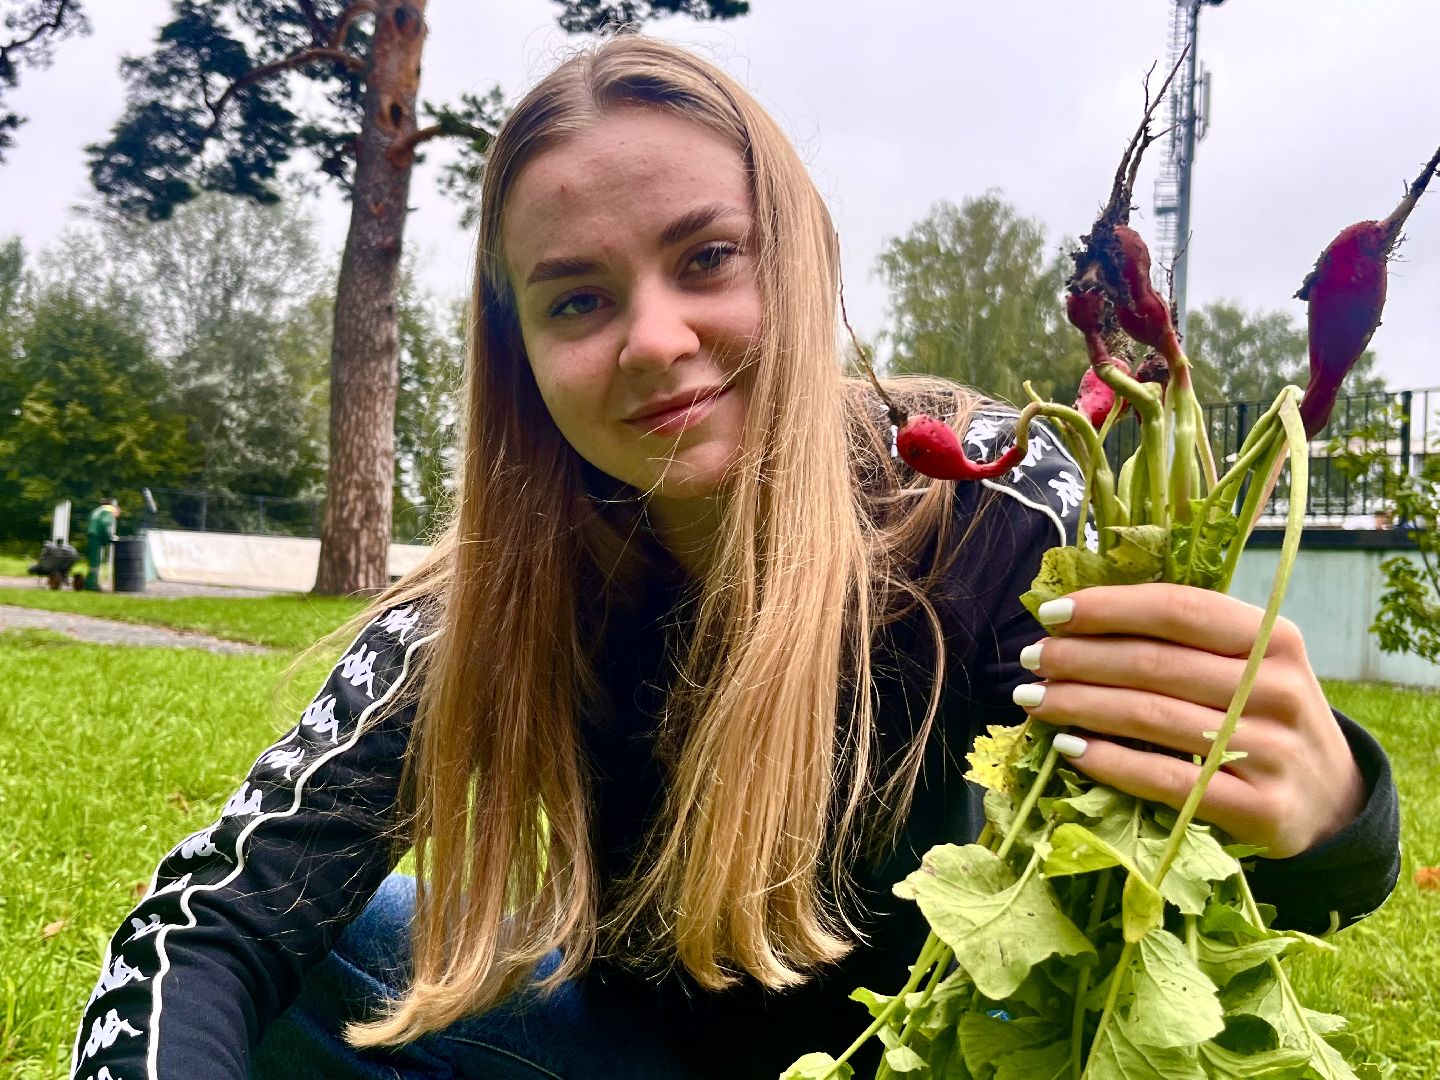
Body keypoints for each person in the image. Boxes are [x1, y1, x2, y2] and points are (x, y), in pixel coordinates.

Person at [71, 34, 1399, 1080]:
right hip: (625, 1055)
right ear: (518, 355)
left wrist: (1329, 810)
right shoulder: (486, 604)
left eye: (707, 257)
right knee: (326, 951)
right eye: (577, 298)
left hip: (925, 1059)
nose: (654, 338)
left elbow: (1193, 861)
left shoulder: (990, 504)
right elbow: (207, 927)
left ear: (804, 262)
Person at [84, 496, 119, 591]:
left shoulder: (98, 510)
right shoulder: (109, 510)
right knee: (95, 561)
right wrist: (107, 538)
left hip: (91, 535)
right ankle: (91, 584)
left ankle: (90, 581)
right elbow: (104, 523)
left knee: (92, 561)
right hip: (97, 537)